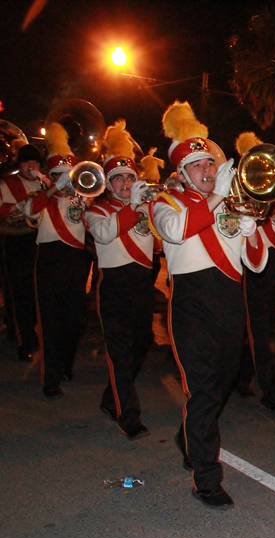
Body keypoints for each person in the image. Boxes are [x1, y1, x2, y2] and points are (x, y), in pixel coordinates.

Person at [149, 101, 266, 510]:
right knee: (201, 390)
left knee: (221, 385)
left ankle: (189, 437)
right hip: (192, 306)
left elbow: (255, 261)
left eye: (210, 165)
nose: (208, 171)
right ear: (181, 173)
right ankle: (206, 478)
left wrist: (252, 230)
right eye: (198, 166)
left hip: (230, 303)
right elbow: (178, 231)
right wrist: (218, 197)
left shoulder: (227, 204)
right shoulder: (166, 203)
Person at [83, 121, 155, 439]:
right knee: (120, 351)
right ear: (109, 183)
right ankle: (128, 415)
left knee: (141, 345)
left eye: (129, 176)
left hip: (142, 285)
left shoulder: (148, 207)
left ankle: (110, 398)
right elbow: (105, 232)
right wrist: (135, 207)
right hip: (114, 287)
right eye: (119, 178)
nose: (126, 182)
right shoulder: (95, 210)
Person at [20, 123, 92, 397]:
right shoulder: (43, 197)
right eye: (59, 174)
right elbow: (28, 210)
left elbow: (93, 218)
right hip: (49, 259)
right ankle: (50, 378)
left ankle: (65, 363)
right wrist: (52, 189)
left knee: (74, 319)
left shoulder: (81, 198)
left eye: (68, 174)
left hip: (75, 259)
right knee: (50, 320)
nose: (65, 178)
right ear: (51, 175)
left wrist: (80, 194)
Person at [232, 133, 275, 411]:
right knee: (257, 329)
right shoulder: (240, 193)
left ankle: (241, 377)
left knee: (259, 326)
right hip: (253, 264)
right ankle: (270, 388)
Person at [0, 144, 42, 361]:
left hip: (40, 241)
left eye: (35, 162)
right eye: (27, 162)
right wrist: (23, 206)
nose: (32, 166)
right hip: (17, 241)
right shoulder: (9, 183)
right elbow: (2, 209)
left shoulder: (45, 183)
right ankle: (23, 339)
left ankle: (36, 333)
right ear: (20, 164)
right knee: (20, 293)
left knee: (37, 292)